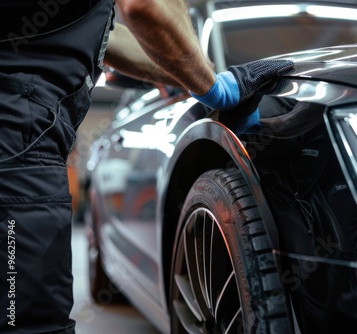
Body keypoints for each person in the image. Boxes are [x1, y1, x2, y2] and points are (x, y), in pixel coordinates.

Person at [0, 0, 293, 333]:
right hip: (15, 144)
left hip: (14, 138)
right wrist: (212, 86)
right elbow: (146, 7)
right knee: (25, 321)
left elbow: (106, 40)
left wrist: (190, 74)